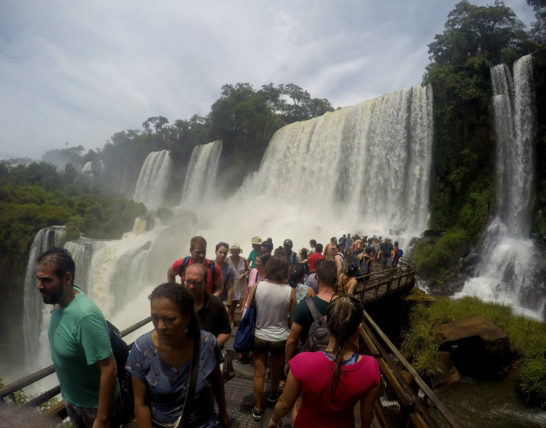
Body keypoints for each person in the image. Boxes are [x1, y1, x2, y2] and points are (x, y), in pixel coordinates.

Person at [267, 296, 380, 428]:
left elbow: (284, 403)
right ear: (359, 328)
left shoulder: (302, 362)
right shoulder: (370, 367)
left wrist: (274, 420)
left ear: (326, 322)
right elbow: (367, 412)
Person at [126, 282, 228, 427]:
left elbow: (217, 381)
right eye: (155, 318)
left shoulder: (207, 343)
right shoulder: (141, 350)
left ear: (186, 316)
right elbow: (141, 403)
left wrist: (223, 414)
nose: (160, 326)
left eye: (169, 319)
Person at [36, 248, 118, 428]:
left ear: (67, 278)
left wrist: (102, 419)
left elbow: (109, 369)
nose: (39, 285)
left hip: (94, 407)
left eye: (46, 280)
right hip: (73, 399)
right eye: (39, 279)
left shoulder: (85, 316)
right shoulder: (60, 298)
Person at [249, 256, 297, 421]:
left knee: (259, 374)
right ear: (284, 270)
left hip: (260, 335)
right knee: (276, 370)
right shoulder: (290, 291)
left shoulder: (258, 286)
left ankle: (257, 408)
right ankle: (273, 395)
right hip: (280, 337)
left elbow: (250, 306)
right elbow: (292, 318)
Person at [285, 260, 337, 371]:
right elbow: (354, 341)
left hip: (309, 363)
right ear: (336, 279)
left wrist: (287, 363)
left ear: (317, 278)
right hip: (337, 362)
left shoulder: (304, 306)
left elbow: (292, 340)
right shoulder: (347, 305)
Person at [183, 264, 231, 349]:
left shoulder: (215, 303)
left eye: (196, 283)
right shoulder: (177, 303)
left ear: (206, 282)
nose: (191, 286)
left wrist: (210, 349)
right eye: (188, 281)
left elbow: (225, 331)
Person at [227, 243, 249, 327]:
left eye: (237, 251)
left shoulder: (243, 259)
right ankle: (232, 320)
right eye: (233, 251)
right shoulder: (227, 260)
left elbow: (247, 270)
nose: (235, 253)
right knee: (232, 307)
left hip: (242, 285)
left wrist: (244, 274)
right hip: (232, 285)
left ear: (239, 251)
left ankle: (243, 322)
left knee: (243, 307)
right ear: (231, 251)